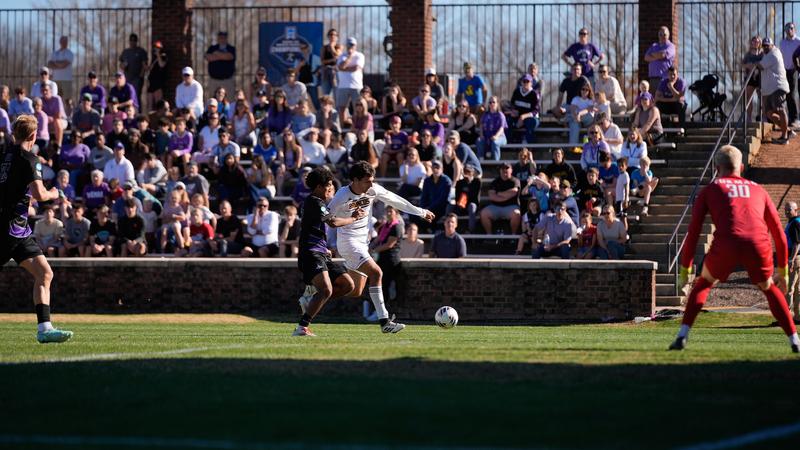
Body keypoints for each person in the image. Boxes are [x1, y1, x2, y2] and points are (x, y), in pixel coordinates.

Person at [676, 146, 800, 353]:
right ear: (741, 167)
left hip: (726, 242)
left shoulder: (711, 189)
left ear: (717, 169)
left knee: (704, 283)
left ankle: (682, 336)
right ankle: (794, 339)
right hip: (757, 244)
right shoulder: (758, 189)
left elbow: (694, 231)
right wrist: (783, 271)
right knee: (769, 288)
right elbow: (778, 232)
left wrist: (685, 269)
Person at [321, 161, 434, 333]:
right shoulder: (342, 195)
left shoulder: (372, 190)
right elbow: (326, 218)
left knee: (355, 290)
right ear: (355, 180)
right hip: (348, 243)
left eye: (372, 180)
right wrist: (322, 244)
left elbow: (395, 200)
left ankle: (314, 295)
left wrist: (420, 211)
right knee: (377, 273)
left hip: (362, 244)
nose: (371, 184)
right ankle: (385, 321)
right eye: (367, 181)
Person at [0, 115, 73, 342]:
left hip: (19, 231)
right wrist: (56, 193)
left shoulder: (4, 157)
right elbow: (41, 195)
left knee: (45, 273)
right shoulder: (31, 159)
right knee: (44, 274)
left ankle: (44, 329)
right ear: (33, 136)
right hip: (10, 229)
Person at [293, 167, 365, 336]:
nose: (331, 189)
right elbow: (332, 222)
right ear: (319, 186)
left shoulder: (318, 203)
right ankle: (302, 327)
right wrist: (353, 218)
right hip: (311, 253)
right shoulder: (314, 202)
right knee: (326, 290)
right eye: (329, 185)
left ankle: (310, 301)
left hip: (322, 252)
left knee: (348, 285)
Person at [759, 38, 791, 144]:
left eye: (768, 45)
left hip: (778, 87)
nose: (765, 47)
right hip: (769, 89)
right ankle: (787, 130)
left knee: (780, 109)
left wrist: (751, 64)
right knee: (768, 113)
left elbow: (760, 66)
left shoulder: (774, 54)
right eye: (764, 45)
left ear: (772, 45)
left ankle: (785, 136)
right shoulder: (766, 55)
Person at [480, 162, 521, 234]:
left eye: (507, 168)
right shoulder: (495, 182)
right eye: (503, 168)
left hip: (511, 206)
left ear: (511, 170)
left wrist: (499, 193)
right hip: (495, 206)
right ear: (500, 170)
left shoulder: (515, 181)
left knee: (516, 214)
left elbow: (514, 192)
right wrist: (506, 196)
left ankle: (513, 236)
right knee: (484, 213)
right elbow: (492, 196)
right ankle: (489, 235)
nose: (505, 170)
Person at [336, 37, 365, 125]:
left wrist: (344, 68)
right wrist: (349, 57)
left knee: (358, 108)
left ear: (355, 46)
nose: (350, 47)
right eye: (349, 45)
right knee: (341, 108)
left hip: (356, 86)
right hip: (343, 86)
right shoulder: (342, 56)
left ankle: (357, 126)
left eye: (352, 45)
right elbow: (340, 67)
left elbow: (356, 68)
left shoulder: (360, 55)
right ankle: (342, 127)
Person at [447, 163, 480, 233]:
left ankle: (471, 231)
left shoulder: (477, 182)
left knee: (472, 206)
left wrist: (468, 184)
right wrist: (461, 203)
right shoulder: (459, 183)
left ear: (473, 172)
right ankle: (448, 229)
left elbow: (475, 197)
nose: (467, 173)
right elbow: (457, 196)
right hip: (460, 204)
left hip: (470, 204)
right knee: (449, 207)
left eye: (469, 172)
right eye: (465, 171)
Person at [419, 160, 452, 230]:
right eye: (434, 167)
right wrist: (422, 209)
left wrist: (429, 208)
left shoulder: (446, 181)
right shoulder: (427, 180)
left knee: (432, 216)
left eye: (438, 167)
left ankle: (432, 230)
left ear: (442, 169)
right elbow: (423, 196)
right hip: (429, 207)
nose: (435, 169)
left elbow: (443, 199)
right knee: (415, 214)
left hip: (442, 208)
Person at [644, 26, 677, 94]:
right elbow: (646, 57)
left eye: (664, 34)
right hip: (653, 78)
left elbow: (663, 55)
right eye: (660, 34)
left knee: (662, 100)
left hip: (664, 78)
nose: (662, 36)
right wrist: (659, 56)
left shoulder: (670, 46)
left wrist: (653, 55)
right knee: (654, 100)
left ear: (668, 35)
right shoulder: (654, 46)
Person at [508, 74, 541, 143]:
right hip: (518, 116)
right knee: (508, 121)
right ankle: (510, 142)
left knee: (532, 123)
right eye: (524, 81)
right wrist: (513, 111)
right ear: (521, 82)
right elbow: (512, 104)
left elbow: (536, 111)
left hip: (530, 117)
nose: (525, 83)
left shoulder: (534, 94)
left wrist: (523, 117)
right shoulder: (517, 91)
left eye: (527, 81)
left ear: (531, 83)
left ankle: (529, 145)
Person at [205, 31, 236, 98]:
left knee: (229, 99)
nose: (222, 39)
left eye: (224, 37)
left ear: (226, 38)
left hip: (227, 80)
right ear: (218, 38)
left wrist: (216, 54)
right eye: (220, 37)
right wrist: (223, 56)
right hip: (214, 80)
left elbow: (229, 57)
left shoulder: (231, 48)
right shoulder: (212, 48)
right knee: (213, 101)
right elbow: (208, 57)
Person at [780, 23, 800, 127]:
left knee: (792, 94)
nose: (789, 30)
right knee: (786, 95)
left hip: (794, 70)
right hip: (784, 71)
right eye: (787, 28)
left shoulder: (798, 41)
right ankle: (790, 118)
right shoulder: (782, 42)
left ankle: (796, 118)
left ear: (794, 29)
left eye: (791, 28)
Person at [476, 96, 508, 161]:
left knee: (495, 143)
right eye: (490, 102)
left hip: (500, 137)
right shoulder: (485, 114)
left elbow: (501, 128)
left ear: (497, 103)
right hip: (487, 136)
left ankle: (496, 162)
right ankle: (481, 160)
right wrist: (481, 135)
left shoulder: (500, 115)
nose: (492, 104)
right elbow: (481, 126)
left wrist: (496, 136)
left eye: (493, 102)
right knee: (479, 141)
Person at [47, 36, 74, 103]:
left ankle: (68, 113)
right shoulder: (55, 53)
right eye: (63, 41)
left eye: (66, 41)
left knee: (68, 100)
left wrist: (55, 63)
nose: (64, 43)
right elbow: (50, 64)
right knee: (57, 99)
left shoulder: (69, 53)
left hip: (66, 79)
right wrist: (60, 64)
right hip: (56, 79)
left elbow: (64, 65)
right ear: (60, 42)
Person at [785, 201, 800, 320]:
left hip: (795, 258)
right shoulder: (795, 222)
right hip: (797, 258)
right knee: (797, 289)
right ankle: (797, 317)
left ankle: (787, 317)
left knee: (789, 289)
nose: (786, 212)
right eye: (786, 209)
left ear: (796, 210)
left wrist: (791, 259)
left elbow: (796, 243)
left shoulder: (794, 223)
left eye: (789, 209)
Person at [320, 29, 341, 97]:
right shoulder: (324, 48)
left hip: (335, 72)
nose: (332, 36)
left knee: (336, 92)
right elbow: (322, 61)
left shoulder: (339, 46)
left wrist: (332, 47)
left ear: (337, 37)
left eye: (334, 35)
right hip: (326, 71)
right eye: (330, 34)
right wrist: (332, 60)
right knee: (326, 93)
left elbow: (338, 56)